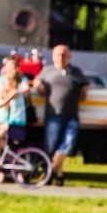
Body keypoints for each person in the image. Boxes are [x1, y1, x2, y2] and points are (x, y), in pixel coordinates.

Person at [33, 45, 89, 187]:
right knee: (52, 147)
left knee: (67, 145)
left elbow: (86, 84)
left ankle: (48, 171)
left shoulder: (76, 72)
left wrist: (85, 90)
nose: (61, 58)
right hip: (53, 115)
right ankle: (58, 176)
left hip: (72, 115)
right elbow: (36, 81)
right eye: (58, 55)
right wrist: (38, 86)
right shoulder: (48, 71)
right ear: (53, 56)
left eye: (64, 55)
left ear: (69, 56)